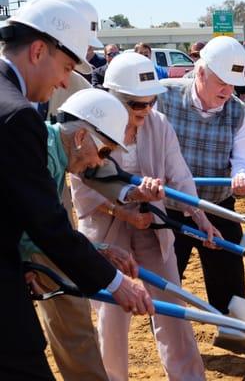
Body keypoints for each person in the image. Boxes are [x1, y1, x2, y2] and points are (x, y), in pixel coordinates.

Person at [0, 0, 153, 379]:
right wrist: (116, 284)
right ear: (38, 50)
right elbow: (44, 225)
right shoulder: (17, 115)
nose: (65, 82)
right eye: (66, 66)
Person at [71, 52, 216, 380]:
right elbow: (84, 191)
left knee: (172, 305)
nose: (146, 110)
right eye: (137, 105)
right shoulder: (90, 129)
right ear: (114, 98)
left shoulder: (158, 124)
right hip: (106, 226)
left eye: (150, 102)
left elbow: (179, 173)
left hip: (151, 221)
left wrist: (200, 217)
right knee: (112, 314)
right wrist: (124, 212)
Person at [20, 88, 149, 381]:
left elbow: (42, 230)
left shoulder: (50, 153)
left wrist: (98, 248)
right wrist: (115, 281)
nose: (100, 162)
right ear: (80, 137)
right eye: (103, 152)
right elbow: (43, 233)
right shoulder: (37, 155)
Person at [157, 36, 245, 314]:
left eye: (233, 84)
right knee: (164, 281)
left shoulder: (239, 113)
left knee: (229, 282)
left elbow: (244, 159)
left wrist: (242, 177)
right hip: (170, 207)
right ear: (200, 72)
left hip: (216, 205)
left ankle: (234, 330)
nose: (227, 91)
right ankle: (170, 336)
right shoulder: (163, 98)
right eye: (221, 83)